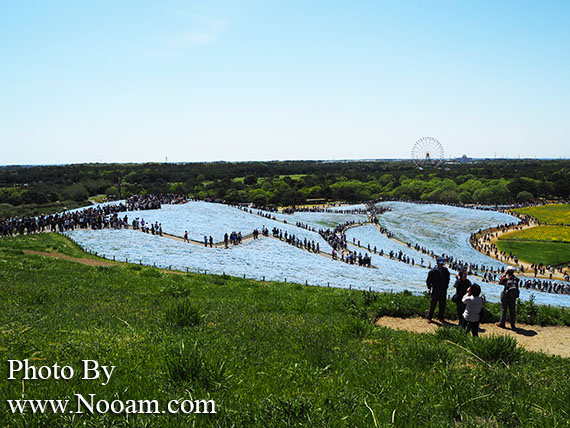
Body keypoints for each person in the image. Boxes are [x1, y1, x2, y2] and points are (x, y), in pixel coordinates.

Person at [426, 257, 450, 322]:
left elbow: (448, 279)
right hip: (435, 289)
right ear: (437, 263)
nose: (441, 265)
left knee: (442, 304)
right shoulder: (432, 271)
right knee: (433, 304)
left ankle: (441, 318)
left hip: (443, 289)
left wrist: (446, 286)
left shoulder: (445, 270)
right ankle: (429, 317)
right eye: (440, 264)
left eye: (442, 264)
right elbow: (428, 281)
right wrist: (429, 288)